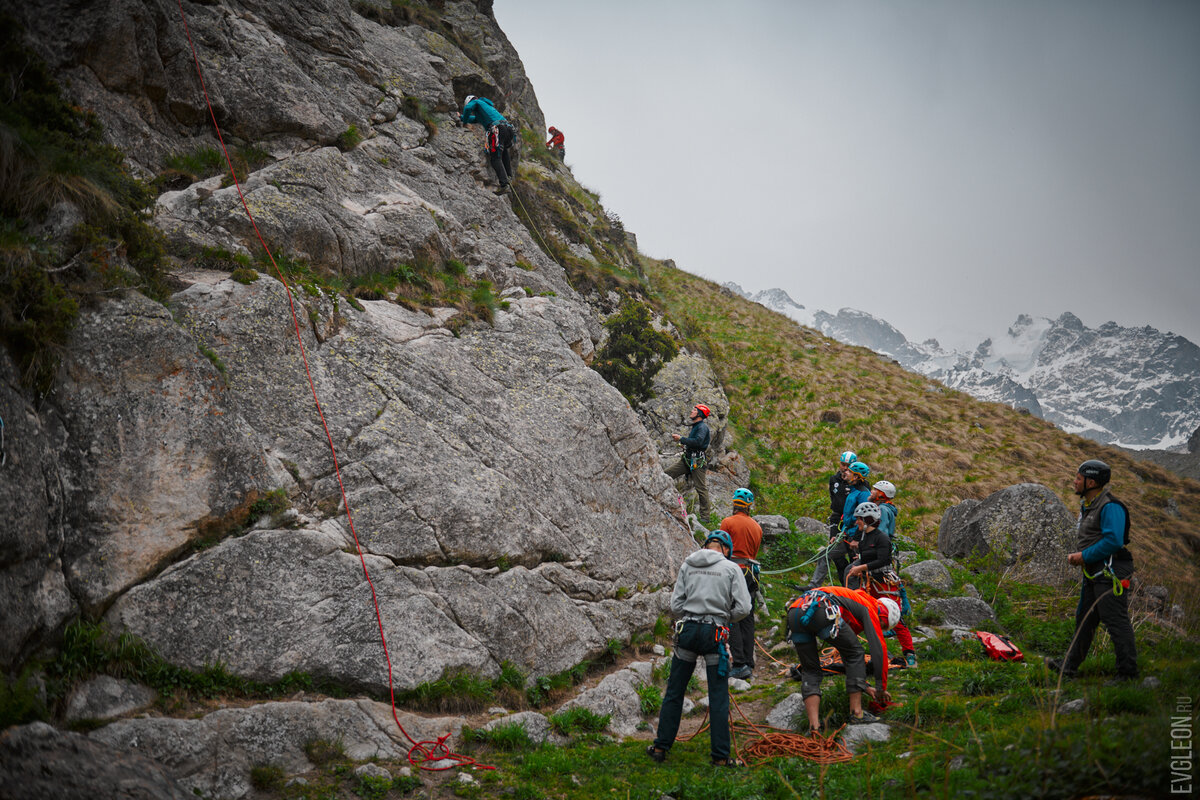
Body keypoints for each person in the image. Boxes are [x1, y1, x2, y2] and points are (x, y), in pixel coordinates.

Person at [648, 531, 752, 767]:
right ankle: (720, 757)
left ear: (706, 546)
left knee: (675, 691)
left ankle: (660, 747)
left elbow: (675, 605)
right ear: (726, 549)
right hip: (714, 632)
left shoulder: (688, 563)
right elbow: (744, 607)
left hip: (687, 630)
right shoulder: (731, 568)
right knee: (718, 696)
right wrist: (725, 617)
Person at [1048, 460, 1138, 682]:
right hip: (1096, 572)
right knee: (1085, 618)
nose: (1075, 481)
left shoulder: (1110, 507)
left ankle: (1127, 674)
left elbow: (1114, 541)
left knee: (1115, 620)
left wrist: (1083, 557)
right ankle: (1069, 667)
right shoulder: (1090, 505)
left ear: (1091, 482)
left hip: (1111, 571)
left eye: (1078, 478)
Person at [786, 586, 899, 730]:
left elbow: (848, 658)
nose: (878, 627)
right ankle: (857, 713)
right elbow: (879, 650)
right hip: (821, 609)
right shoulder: (869, 607)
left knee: (810, 670)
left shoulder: (851, 604)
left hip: (795, 611)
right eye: (882, 625)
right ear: (883, 614)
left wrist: (866, 686)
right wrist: (881, 687)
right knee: (856, 653)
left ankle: (814, 727)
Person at [720, 488, 763, 680]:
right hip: (751, 573)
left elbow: (722, 548)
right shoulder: (757, 526)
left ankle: (738, 663)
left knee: (734, 616)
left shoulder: (727, 522)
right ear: (748, 506)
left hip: (733, 570)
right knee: (747, 617)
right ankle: (749, 661)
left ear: (735, 504)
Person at [810, 452, 858, 586]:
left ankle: (852, 585)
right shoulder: (834, 479)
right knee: (835, 552)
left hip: (852, 522)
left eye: (848, 466)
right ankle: (844, 582)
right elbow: (834, 498)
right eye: (843, 464)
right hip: (837, 519)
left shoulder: (859, 484)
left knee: (852, 554)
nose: (845, 468)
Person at [459, 95, 515, 194]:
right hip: (508, 129)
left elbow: (468, 108)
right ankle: (509, 177)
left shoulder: (476, 102)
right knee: (503, 152)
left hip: (498, 129)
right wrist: (461, 117)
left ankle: (504, 184)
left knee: (495, 157)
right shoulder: (486, 108)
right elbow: (474, 119)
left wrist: (464, 121)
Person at [665, 404, 712, 521]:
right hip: (688, 459)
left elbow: (698, 442)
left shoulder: (702, 427)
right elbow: (695, 442)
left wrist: (681, 439)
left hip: (697, 462)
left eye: (694, 410)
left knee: (701, 488)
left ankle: (705, 517)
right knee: (666, 474)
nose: (691, 411)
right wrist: (684, 442)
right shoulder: (697, 426)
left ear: (699, 414)